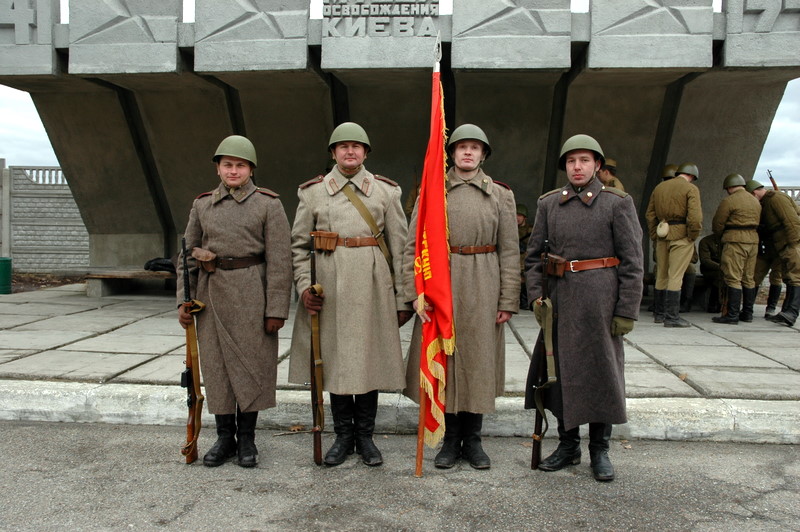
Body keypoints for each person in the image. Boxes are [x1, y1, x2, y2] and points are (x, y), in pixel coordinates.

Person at [288, 122, 412, 467]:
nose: (350, 151)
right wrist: (304, 287)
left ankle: (366, 438)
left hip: (373, 287)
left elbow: (402, 249)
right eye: (343, 146)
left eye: (357, 146)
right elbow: (298, 247)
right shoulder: (312, 193)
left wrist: (404, 298)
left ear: (366, 153)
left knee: (369, 360)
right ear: (333, 153)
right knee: (335, 362)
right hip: (329, 288)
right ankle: (343, 436)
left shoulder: (387, 192)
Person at [524, 134, 644, 482]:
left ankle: (599, 450)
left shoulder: (617, 203)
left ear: (597, 165)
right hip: (560, 302)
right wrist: (536, 297)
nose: (577, 167)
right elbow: (533, 257)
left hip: (601, 303)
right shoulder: (549, 203)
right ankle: (568, 446)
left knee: (602, 374)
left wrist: (626, 310)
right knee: (560, 374)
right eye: (571, 161)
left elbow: (633, 262)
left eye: (585, 160)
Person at [402, 124, 518, 470]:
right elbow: (413, 245)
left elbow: (510, 251)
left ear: (483, 155)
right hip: (442, 281)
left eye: (475, 147)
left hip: (485, 281)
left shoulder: (500, 195)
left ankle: (475, 440)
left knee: (479, 361)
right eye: (461, 147)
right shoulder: (432, 192)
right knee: (447, 360)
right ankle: (451, 439)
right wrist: (415, 292)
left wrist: (508, 299)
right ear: (451, 153)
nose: (468, 152)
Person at [176, 135, 292, 468]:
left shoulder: (268, 204)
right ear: (218, 168)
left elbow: (280, 260)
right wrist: (184, 300)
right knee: (217, 368)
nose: (233, 171)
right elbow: (187, 256)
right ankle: (224, 438)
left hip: (252, 294)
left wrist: (276, 309)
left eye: (240, 165)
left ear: (251, 169)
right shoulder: (202, 205)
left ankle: (248, 440)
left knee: (252, 366)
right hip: (210, 296)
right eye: (227, 165)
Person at [645, 162, 703, 327]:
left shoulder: (659, 188)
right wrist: (692, 236)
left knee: (661, 274)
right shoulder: (691, 189)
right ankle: (672, 317)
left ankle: (659, 314)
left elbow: (650, 214)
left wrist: (654, 235)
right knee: (676, 275)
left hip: (662, 234)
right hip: (681, 235)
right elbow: (695, 217)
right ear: (692, 175)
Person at [746, 179, 800, 326]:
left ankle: (791, 312)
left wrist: (792, 244)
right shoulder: (766, 202)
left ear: (754, 192)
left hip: (788, 244)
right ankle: (785, 312)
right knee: (787, 277)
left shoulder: (776, 198)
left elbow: (792, 222)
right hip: (776, 246)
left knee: (794, 277)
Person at [710, 174, 761, 324]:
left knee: (733, 277)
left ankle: (732, 315)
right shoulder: (755, 200)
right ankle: (748, 313)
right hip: (753, 240)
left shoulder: (729, 201)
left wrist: (720, 237)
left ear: (729, 187)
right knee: (748, 278)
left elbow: (718, 223)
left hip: (735, 240)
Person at [698, 232, 723, 313]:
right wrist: (721, 267)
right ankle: (714, 304)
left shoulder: (728, 240)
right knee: (719, 276)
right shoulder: (706, 241)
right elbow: (705, 260)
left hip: (725, 269)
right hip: (710, 270)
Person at [517, 203, 533, 310]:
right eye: (515, 215)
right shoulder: (510, 229)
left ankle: (525, 301)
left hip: (525, 261)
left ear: (524, 217)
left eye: (519, 215)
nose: (517, 218)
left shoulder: (530, 230)